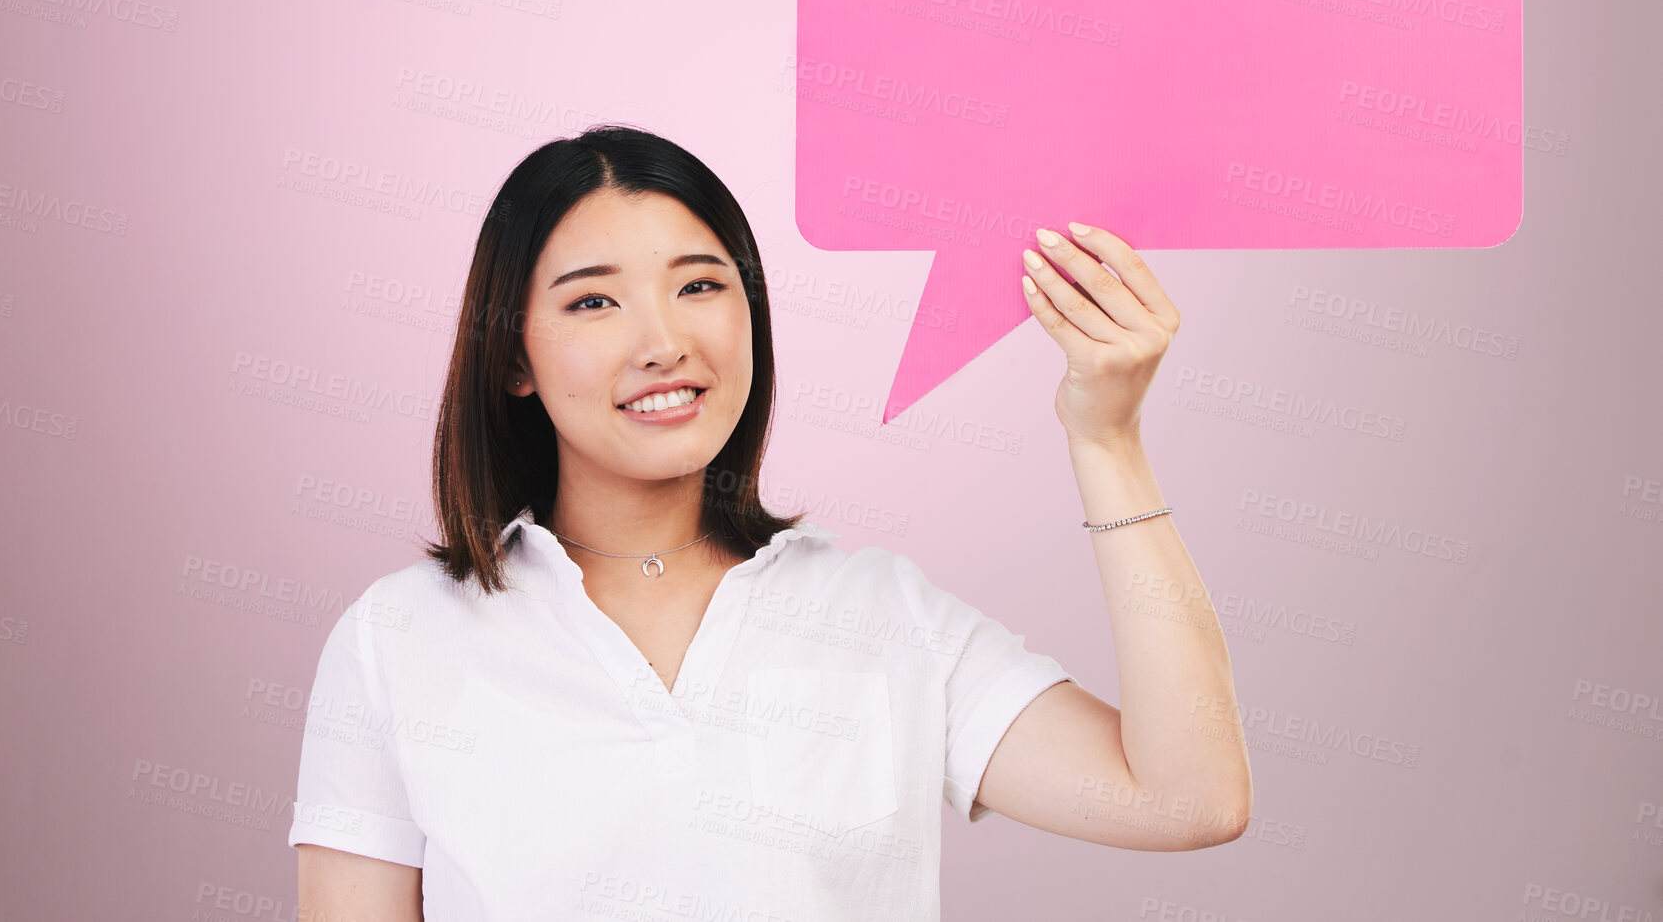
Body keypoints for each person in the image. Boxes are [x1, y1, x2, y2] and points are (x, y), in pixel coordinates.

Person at [289, 124, 1251, 920]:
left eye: (700, 284)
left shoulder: (880, 615)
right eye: (593, 300)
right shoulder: (401, 636)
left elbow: (1187, 797)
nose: (663, 342)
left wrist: (1107, 439)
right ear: (514, 360)